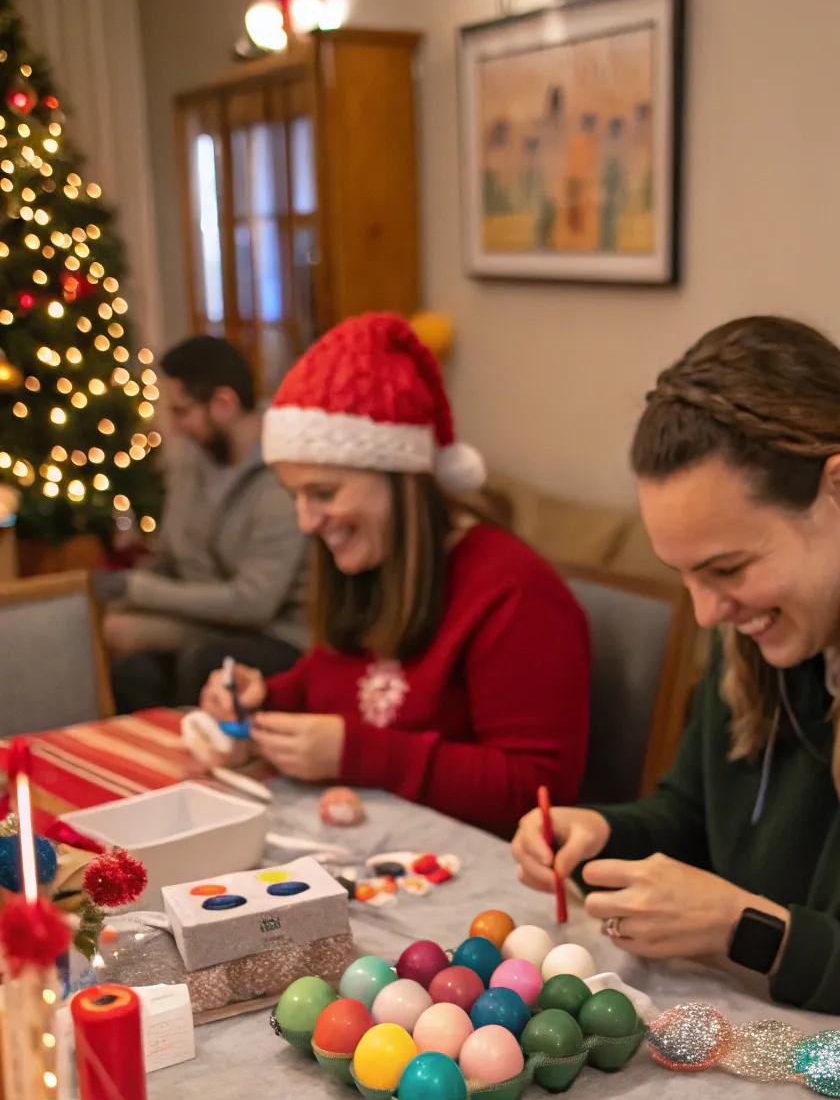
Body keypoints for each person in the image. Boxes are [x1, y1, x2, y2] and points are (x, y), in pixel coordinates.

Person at [513, 315, 840, 1080]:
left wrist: (756, 933)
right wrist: (601, 834)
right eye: (683, 574)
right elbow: (694, 817)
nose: (707, 612)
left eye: (728, 568)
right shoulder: (772, 632)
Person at [200, 313, 590, 836]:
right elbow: (334, 682)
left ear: (398, 478)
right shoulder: (372, 560)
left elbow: (536, 793)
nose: (306, 522)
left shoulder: (515, 594)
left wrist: (355, 752)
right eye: (295, 496)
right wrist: (265, 700)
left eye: (323, 493)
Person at [97, 336, 309, 711]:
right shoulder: (192, 464)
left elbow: (254, 603)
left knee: (201, 661)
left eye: (181, 411)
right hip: (206, 622)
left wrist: (140, 592)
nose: (175, 427)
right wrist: (119, 599)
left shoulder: (282, 478)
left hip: (275, 634)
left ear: (224, 403)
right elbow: (169, 558)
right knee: (131, 667)